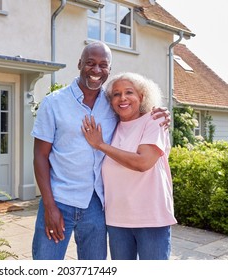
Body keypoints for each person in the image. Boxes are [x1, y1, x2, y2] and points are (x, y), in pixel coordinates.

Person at [31, 42, 169, 260]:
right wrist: (49, 206)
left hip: (96, 206)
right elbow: (40, 156)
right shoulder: (53, 103)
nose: (96, 70)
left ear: (109, 70)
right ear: (79, 64)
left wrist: (158, 110)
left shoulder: (112, 102)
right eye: (90, 63)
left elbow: (135, 111)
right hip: (59, 200)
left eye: (103, 65)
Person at [82, 72, 177, 260]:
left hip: (151, 218)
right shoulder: (113, 126)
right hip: (117, 220)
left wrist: (100, 145)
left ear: (141, 97)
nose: (122, 98)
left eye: (129, 92)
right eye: (116, 94)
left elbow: (143, 162)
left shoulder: (154, 120)